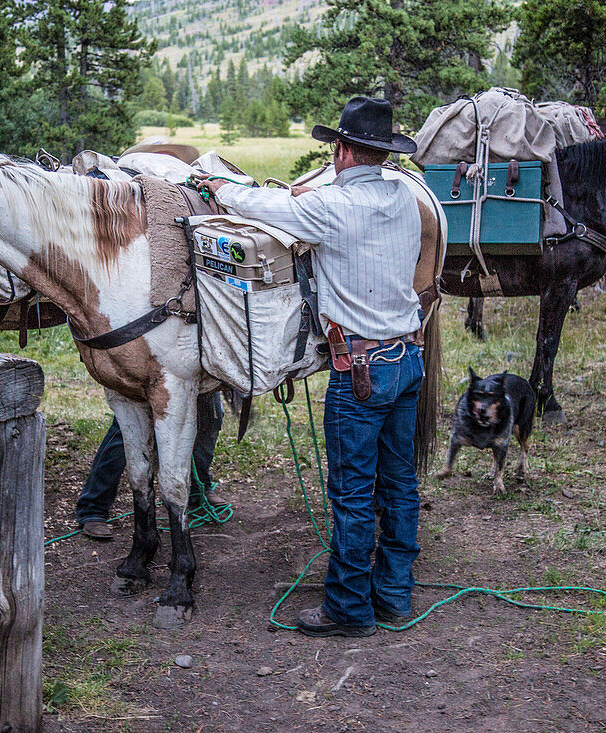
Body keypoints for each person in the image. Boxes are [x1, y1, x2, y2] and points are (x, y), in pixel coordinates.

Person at [198, 97, 424, 637]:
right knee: (398, 483)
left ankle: (347, 608)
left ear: (343, 151)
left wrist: (218, 189)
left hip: (360, 371)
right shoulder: (406, 198)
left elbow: (256, 207)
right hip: (408, 357)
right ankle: (393, 592)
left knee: (350, 491)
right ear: (384, 153)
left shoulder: (330, 208)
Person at [76, 392, 229, 540]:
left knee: (211, 418)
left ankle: (199, 487)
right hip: (148, 371)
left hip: (197, 369)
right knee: (127, 427)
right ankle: (93, 506)